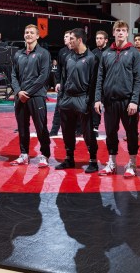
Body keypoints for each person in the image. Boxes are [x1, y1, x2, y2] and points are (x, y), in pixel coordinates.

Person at [95, 21, 140, 176]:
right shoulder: (106, 53)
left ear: (127, 33)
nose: (120, 33)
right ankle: (112, 163)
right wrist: (97, 98)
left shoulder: (134, 52)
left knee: (131, 134)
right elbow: (100, 78)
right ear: (113, 32)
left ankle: (132, 164)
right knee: (110, 133)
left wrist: (134, 100)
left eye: (123, 30)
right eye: (117, 30)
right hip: (109, 101)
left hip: (127, 101)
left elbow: (137, 79)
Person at [55, 28, 99, 172]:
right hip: (67, 98)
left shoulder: (92, 58)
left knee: (87, 132)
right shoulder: (68, 57)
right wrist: (61, 98)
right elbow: (63, 78)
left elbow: (94, 83)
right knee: (67, 131)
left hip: (83, 98)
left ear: (80, 40)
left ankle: (93, 161)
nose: (69, 41)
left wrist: (89, 101)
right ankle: (69, 159)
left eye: (72, 39)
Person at [9, 25, 51, 167]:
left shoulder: (43, 53)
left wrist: (28, 93)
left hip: (36, 96)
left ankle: (44, 155)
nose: (28, 35)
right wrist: (18, 91)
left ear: (37, 36)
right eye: (26, 32)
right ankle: (24, 154)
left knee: (41, 127)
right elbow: (13, 75)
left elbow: (43, 76)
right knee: (22, 127)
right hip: (20, 96)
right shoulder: (18, 54)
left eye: (32, 33)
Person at [49, 31, 73, 136]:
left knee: (76, 109)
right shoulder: (62, 51)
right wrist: (57, 82)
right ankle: (54, 130)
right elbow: (58, 68)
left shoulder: (78, 50)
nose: (65, 38)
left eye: (67, 36)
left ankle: (78, 129)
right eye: (64, 36)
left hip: (75, 85)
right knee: (58, 108)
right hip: (63, 85)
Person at [92, 30, 109, 136]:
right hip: (95, 84)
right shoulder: (92, 52)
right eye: (97, 38)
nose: (98, 40)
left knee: (109, 107)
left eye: (100, 38)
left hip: (108, 84)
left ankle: (110, 127)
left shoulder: (110, 52)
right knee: (96, 106)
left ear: (106, 40)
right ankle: (95, 127)